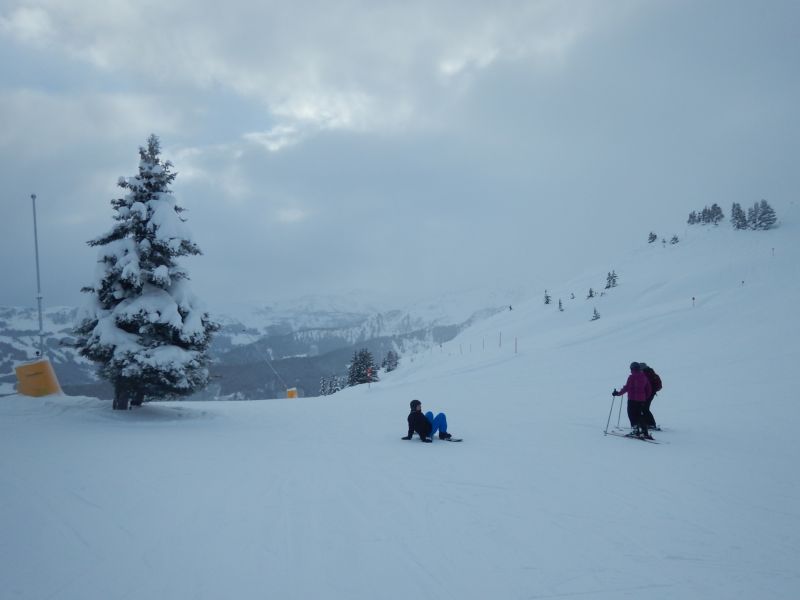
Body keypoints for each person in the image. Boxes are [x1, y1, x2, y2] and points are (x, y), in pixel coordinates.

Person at [612, 362, 653, 439]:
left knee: (632, 414)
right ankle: (644, 431)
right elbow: (649, 389)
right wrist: (645, 397)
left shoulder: (632, 377)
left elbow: (627, 387)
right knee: (639, 415)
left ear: (632, 369)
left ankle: (636, 430)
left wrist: (618, 393)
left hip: (632, 399)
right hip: (641, 400)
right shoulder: (644, 377)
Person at [639, 362, 661, 431]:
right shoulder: (650, 372)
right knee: (644, 408)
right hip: (651, 393)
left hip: (648, 394)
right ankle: (648, 423)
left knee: (644, 409)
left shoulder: (646, 374)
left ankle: (651, 424)